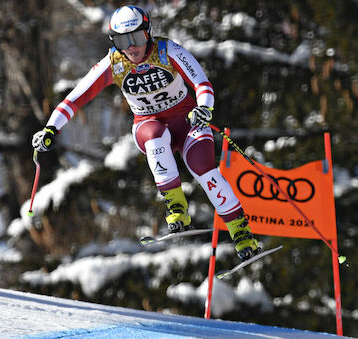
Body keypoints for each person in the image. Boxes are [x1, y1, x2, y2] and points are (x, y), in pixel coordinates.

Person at [32, 5, 261, 261]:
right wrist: (51, 128)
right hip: (148, 124)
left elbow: (202, 83)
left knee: (204, 168)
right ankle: (176, 206)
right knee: (154, 136)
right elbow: (75, 99)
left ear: (148, 33)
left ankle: (241, 232)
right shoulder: (114, 63)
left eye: (137, 38)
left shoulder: (167, 51)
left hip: (186, 123)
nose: (131, 47)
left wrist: (204, 109)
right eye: (122, 41)